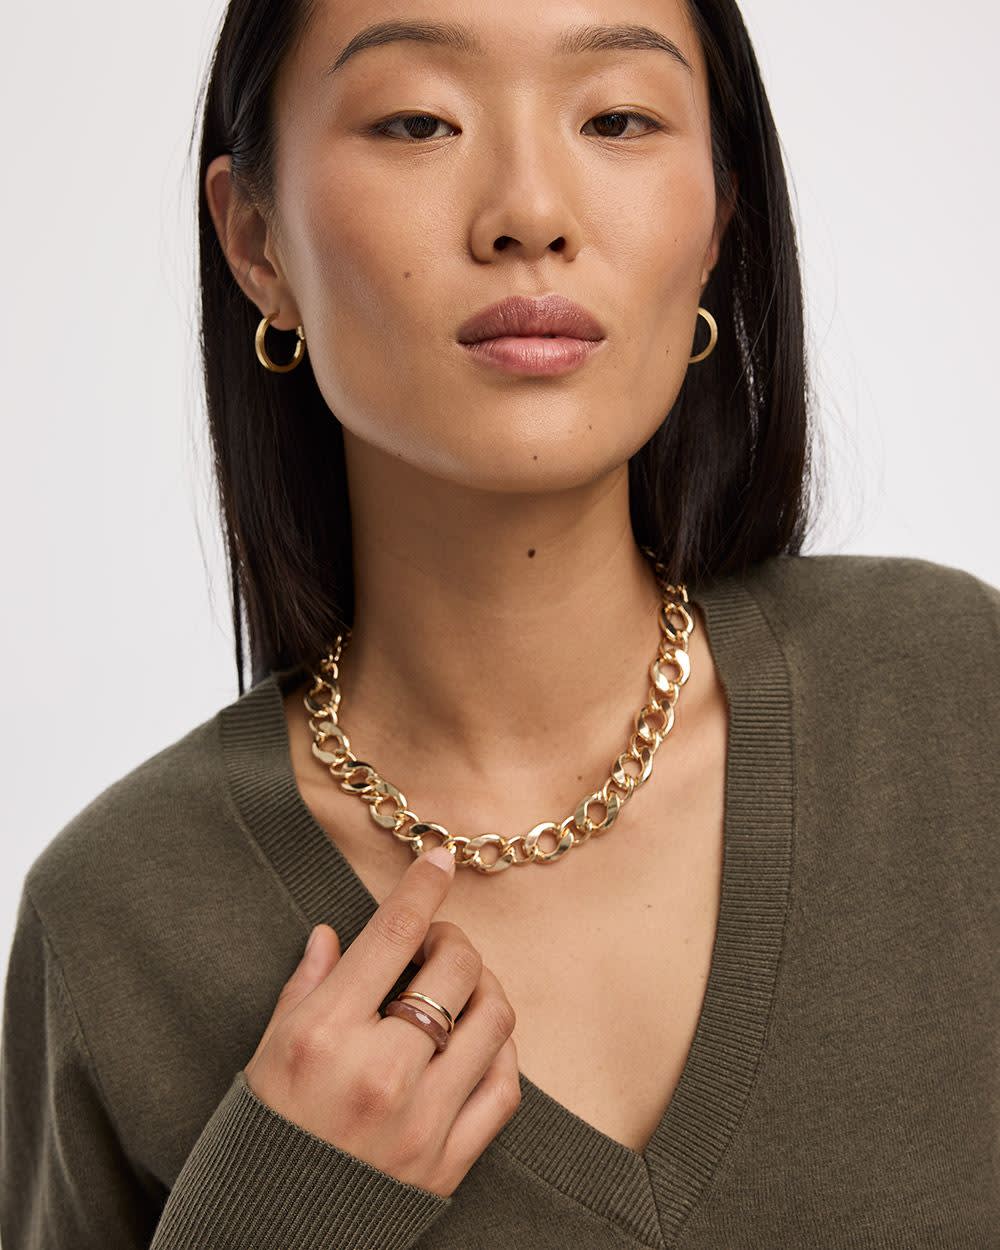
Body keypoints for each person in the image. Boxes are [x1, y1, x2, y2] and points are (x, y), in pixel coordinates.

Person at [2, 0, 997, 1246]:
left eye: (616, 119)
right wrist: (273, 1216)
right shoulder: (119, 922)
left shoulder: (953, 706)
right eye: (418, 121)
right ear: (256, 242)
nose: (529, 210)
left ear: (715, 225)